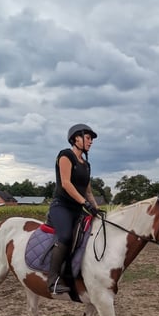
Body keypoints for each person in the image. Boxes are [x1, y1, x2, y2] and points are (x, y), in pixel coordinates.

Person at [45, 123, 102, 294]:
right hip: (61, 207)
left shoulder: (86, 165)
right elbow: (66, 183)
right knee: (65, 236)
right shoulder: (65, 155)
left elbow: (88, 191)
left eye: (91, 139)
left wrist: (96, 209)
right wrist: (84, 203)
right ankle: (52, 280)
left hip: (77, 210)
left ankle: (76, 273)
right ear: (76, 138)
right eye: (88, 138)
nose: (91, 142)